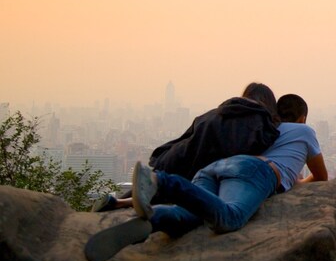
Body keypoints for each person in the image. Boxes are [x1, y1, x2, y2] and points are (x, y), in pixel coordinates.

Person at [84, 93, 327, 261]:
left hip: (218, 168)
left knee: (189, 216)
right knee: (228, 218)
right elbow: (320, 177)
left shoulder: (265, 129)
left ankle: (154, 219)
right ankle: (161, 181)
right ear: (303, 118)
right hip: (254, 172)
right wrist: (293, 182)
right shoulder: (305, 132)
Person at [92, 83, 281, 212]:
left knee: (156, 191)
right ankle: (124, 205)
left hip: (176, 158)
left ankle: (116, 202)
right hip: (201, 169)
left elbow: (186, 137)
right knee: (170, 197)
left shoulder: (215, 113)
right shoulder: (261, 124)